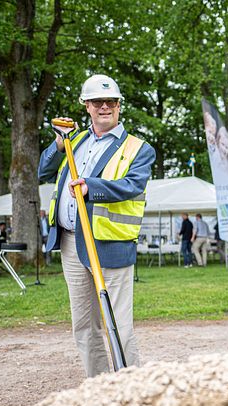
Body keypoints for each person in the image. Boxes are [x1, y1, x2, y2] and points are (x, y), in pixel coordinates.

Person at [38, 74, 156, 377]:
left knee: (119, 325)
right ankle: (100, 387)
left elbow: (132, 185)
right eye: (97, 102)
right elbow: (43, 169)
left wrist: (92, 187)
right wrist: (57, 142)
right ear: (86, 106)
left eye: (111, 102)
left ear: (119, 106)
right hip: (69, 243)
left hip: (109, 244)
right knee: (84, 325)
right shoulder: (73, 141)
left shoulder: (138, 148)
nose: (105, 106)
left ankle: (132, 389)